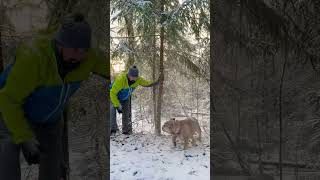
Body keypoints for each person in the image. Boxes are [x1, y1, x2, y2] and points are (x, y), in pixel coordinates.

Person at [0, 13, 109, 180]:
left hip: (49, 118)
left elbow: (111, 69)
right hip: (10, 110)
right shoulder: (34, 58)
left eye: (83, 50)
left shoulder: (89, 58)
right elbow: (8, 99)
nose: (79, 55)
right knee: (8, 148)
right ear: (60, 44)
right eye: (74, 49)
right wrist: (25, 138)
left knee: (52, 165)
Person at [110, 65, 163, 135]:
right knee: (112, 109)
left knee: (126, 112)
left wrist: (156, 82)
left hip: (125, 97)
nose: (134, 79)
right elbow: (112, 93)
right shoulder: (121, 80)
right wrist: (117, 105)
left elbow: (147, 83)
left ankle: (125, 131)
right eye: (132, 77)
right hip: (114, 95)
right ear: (129, 75)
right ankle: (113, 130)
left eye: (135, 77)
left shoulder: (138, 79)